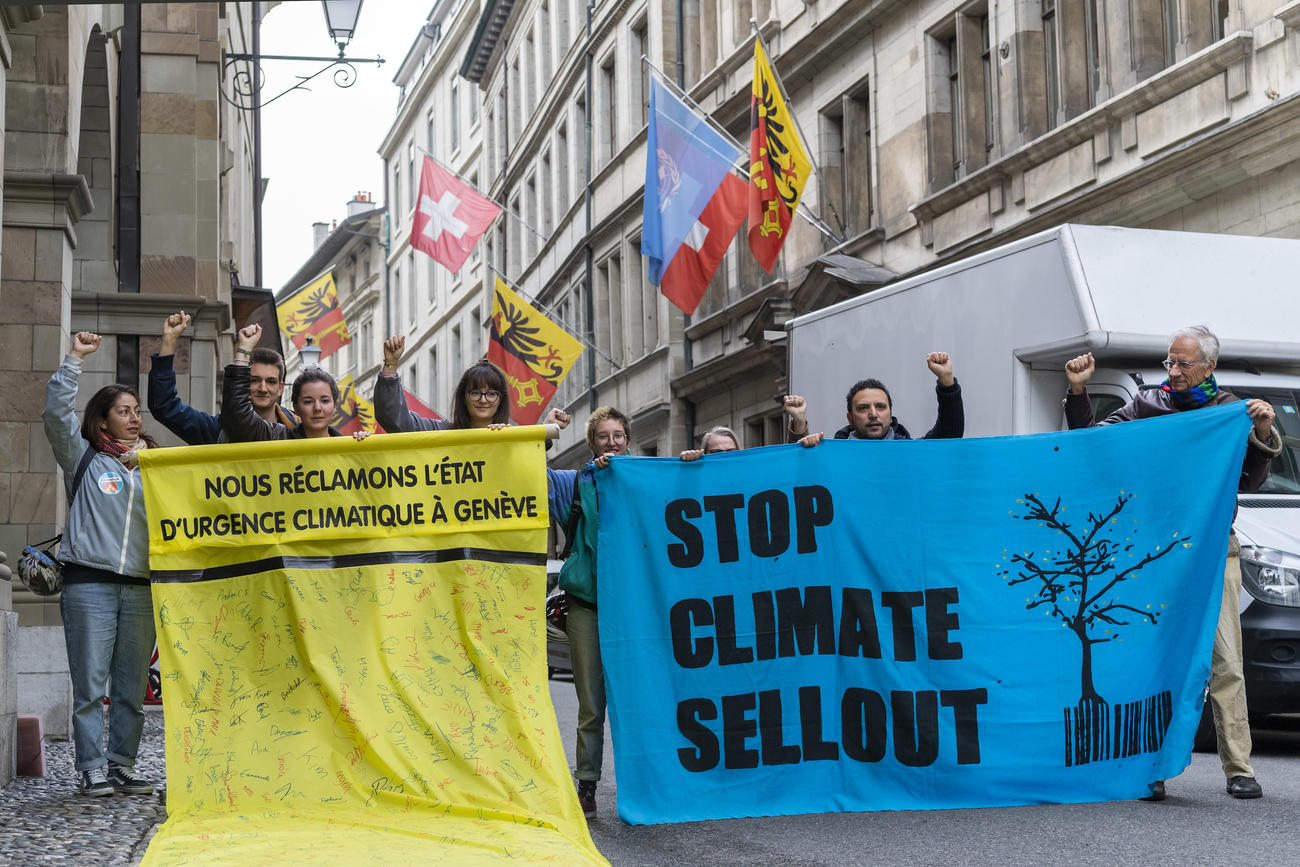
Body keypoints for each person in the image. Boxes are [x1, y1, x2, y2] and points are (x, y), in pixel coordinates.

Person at [1063, 325, 1281, 801]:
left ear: (1208, 367)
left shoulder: (1229, 412)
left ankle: (1239, 767)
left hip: (1214, 551)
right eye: (1170, 362)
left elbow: (1251, 478)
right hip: (1155, 557)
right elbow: (1095, 445)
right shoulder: (1145, 405)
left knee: (1225, 661)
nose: (1174, 372)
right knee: (1152, 661)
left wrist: (1262, 431)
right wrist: (1079, 392)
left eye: (1183, 364)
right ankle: (1147, 767)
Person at [42, 332, 158, 798]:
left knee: (131, 688)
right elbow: (55, 414)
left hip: (140, 587)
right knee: (90, 683)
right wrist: (74, 359)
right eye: (124, 411)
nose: (134, 418)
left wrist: (149, 464)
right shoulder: (84, 456)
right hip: (89, 583)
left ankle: (122, 765)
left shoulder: (152, 465)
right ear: (103, 420)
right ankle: (90, 766)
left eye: (136, 411)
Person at [549, 407, 630, 818]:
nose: (612, 442)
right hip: (588, 608)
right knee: (591, 704)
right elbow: (536, 478)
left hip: (635, 609)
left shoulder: (643, 480)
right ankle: (587, 784)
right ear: (591, 443)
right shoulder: (575, 484)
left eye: (618, 435)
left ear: (628, 440)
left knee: (638, 699)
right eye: (603, 436)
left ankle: (645, 784)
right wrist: (546, 433)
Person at [148, 312, 297, 444]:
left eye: (270, 381)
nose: (263, 388)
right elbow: (165, 406)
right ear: (241, 382)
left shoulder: (298, 428)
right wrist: (169, 341)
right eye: (254, 380)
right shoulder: (217, 431)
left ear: (281, 388)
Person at [373, 334, 568, 432]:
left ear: (501, 399)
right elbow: (395, 420)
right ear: (463, 398)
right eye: (475, 393)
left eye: (491, 393)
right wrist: (391, 364)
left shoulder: (510, 437)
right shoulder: (441, 433)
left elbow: (529, 461)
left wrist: (547, 428)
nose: (483, 400)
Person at [220, 324, 368, 442]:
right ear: (295, 406)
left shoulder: (349, 447)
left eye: (324, 400)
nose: (317, 408)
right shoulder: (277, 437)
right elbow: (238, 416)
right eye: (308, 401)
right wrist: (244, 350)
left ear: (335, 406)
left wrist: (368, 448)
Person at [786, 352, 964, 445]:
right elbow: (799, 473)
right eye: (863, 408)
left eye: (880, 406)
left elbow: (949, 434)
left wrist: (946, 381)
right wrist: (800, 428)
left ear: (890, 412)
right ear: (850, 418)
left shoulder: (910, 452)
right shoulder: (834, 457)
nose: (873, 414)